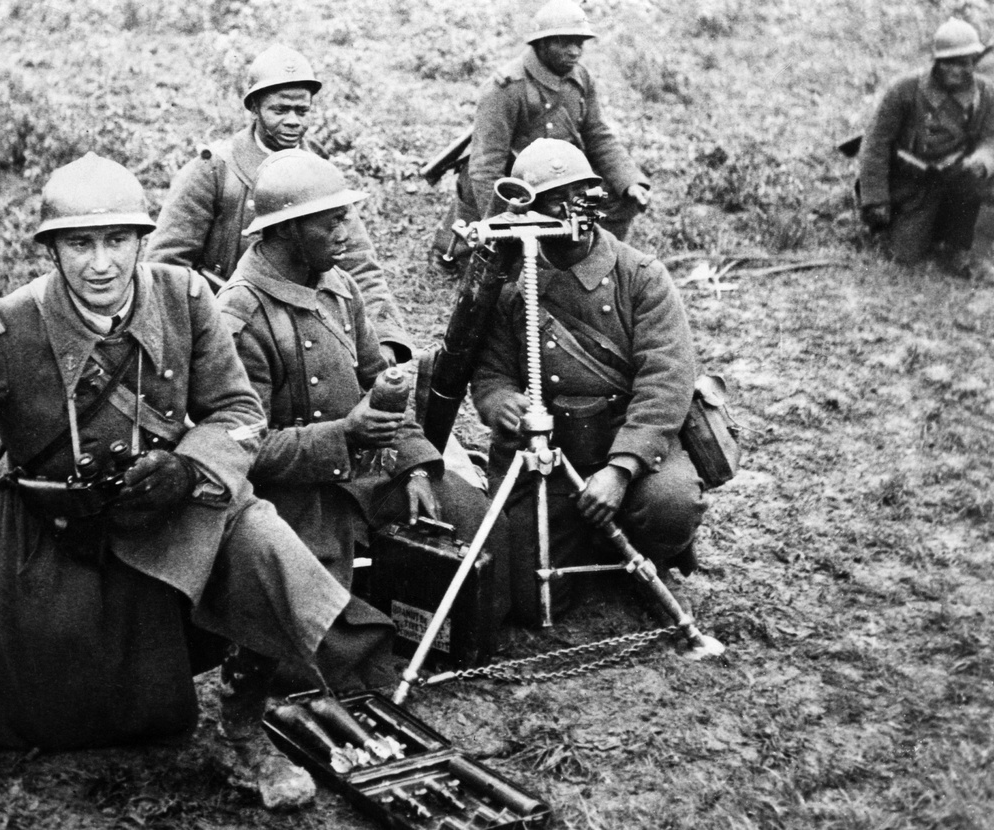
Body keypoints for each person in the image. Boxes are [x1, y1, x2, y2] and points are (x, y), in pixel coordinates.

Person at [0, 153, 397, 811]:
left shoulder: (187, 299)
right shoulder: (4, 329)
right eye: (80, 244)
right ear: (52, 250)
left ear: (142, 239)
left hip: (166, 508)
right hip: (52, 533)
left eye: (117, 240)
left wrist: (190, 466)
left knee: (257, 538)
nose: (102, 263)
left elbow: (237, 411)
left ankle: (245, 726)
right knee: (34, 723)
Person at [216, 150, 508, 612]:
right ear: (287, 228)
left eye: (344, 218)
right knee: (331, 630)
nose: (345, 234)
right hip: (290, 497)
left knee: (479, 527)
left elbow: (380, 383)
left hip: (367, 473)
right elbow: (243, 449)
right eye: (330, 223)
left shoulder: (339, 286)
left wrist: (412, 464)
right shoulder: (240, 318)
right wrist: (345, 434)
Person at [470, 138, 704, 623]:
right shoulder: (509, 280)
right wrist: (501, 403)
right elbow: (490, 372)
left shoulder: (640, 276)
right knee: (526, 601)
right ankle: (584, 538)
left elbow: (667, 381)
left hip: (625, 438)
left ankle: (647, 554)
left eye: (578, 196)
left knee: (671, 503)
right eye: (553, 200)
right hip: (545, 451)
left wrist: (621, 469)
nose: (570, 212)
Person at [147, 43, 413, 366]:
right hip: (225, 330)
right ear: (255, 108)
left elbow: (358, 262)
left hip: (303, 332)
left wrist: (384, 340)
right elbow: (166, 269)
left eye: (302, 111)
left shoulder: (317, 173)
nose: (293, 122)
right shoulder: (213, 171)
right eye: (279, 110)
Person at [429, 0, 650, 274]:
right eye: (565, 43)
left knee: (619, 196)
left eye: (580, 43)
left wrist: (629, 180)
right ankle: (466, 251)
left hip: (560, 177)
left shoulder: (580, 78)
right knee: (498, 267)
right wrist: (500, 227)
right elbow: (486, 166)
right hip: (518, 183)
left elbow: (597, 134)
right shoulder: (506, 89)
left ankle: (584, 255)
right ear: (541, 44)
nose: (575, 51)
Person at [858, 18, 994, 276]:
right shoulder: (906, 90)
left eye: (964, 62)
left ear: (973, 62)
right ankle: (917, 226)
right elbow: (875, 144)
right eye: (948, 62)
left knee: (979, 182)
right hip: (911, 183)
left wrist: (982, 161)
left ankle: (960, 247)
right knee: (905, 256)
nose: (956, 69)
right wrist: (875, 199)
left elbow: (991, 138)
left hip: (955, 177)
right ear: (936, 61)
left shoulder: (985, 93)